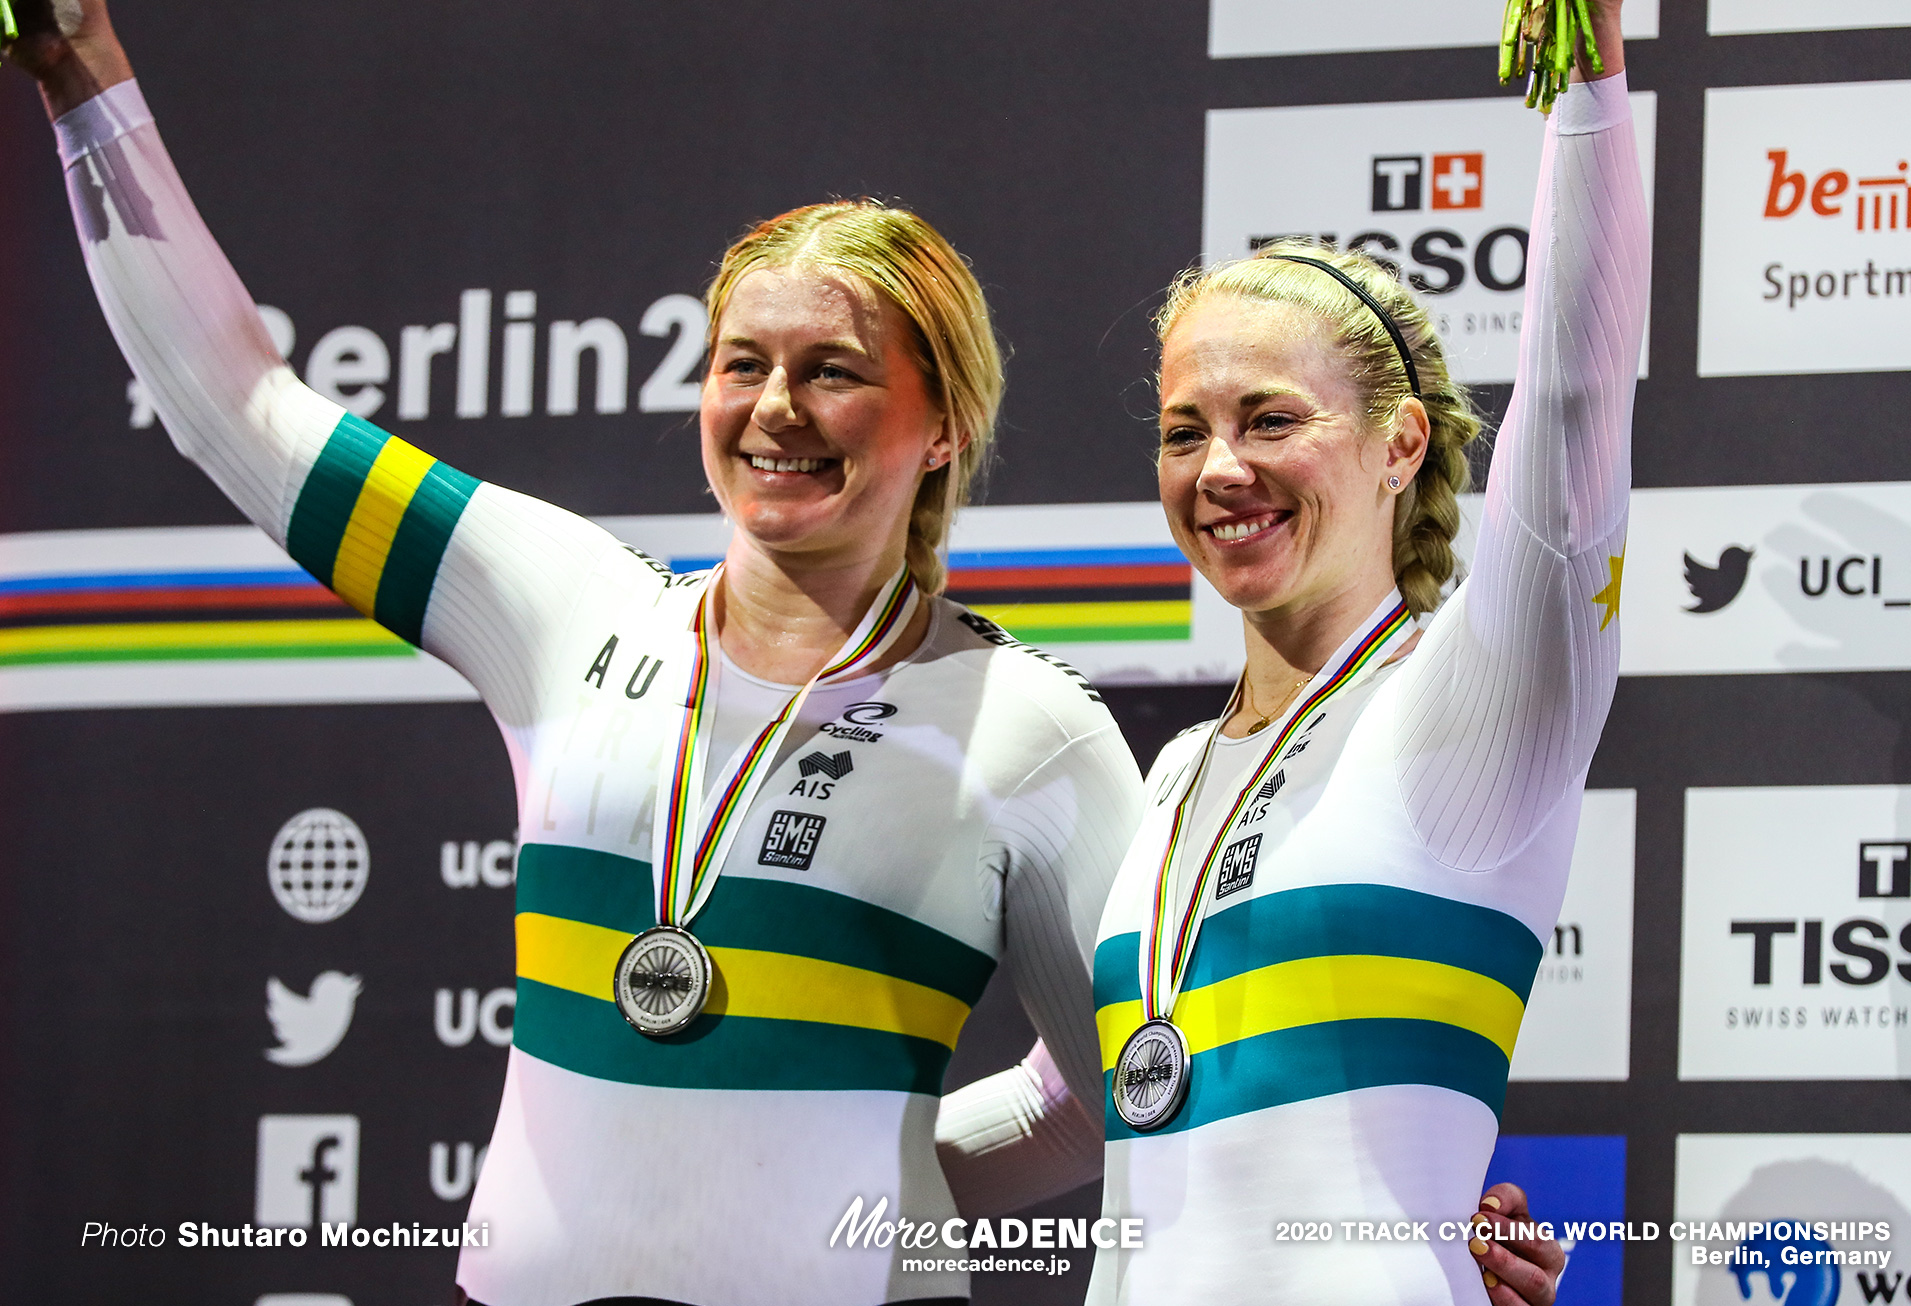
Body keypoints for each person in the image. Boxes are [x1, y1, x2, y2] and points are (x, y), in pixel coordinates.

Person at [5, 4, 1570, 1303]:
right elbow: (242, 406)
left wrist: (1411, 1227)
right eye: (741, 362)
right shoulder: (562, 605)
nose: (775, 408)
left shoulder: (1029, 729)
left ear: (939, 423)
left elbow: (1141, 1094)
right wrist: (87, 81)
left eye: (834, 372)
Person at [1079, 1, 1646, 1300]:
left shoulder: (1475, 704)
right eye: (1184, 429)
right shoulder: (1169, 783)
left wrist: (1593, 81)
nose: (1221, 468)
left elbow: (1575, 404)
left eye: (1270, 417)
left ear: (1401, 445)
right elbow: (1072, 1114)